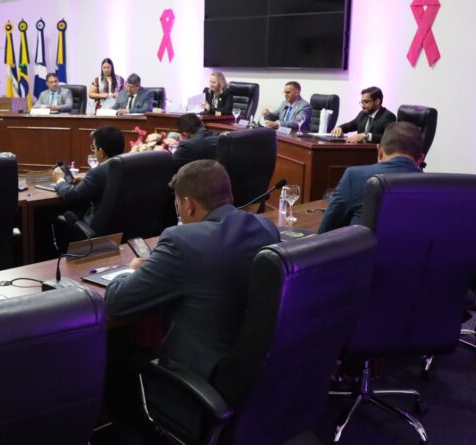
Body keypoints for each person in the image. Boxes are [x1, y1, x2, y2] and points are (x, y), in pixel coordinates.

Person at [105, 159, 280, 379]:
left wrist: (132, 270)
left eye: (177, 207)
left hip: (198, 376)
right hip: (256, 374)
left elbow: (116, 301)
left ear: (188, 205)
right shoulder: (266, 227)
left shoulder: (180, 241)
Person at [319, 122, 424, 233]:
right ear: (421, 159)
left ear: (379, 151)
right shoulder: (436, 186)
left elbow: (325, 231)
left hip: (363, 245)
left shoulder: (354, 176)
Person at [52, 126, 124, 227]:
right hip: (122, 227)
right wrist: (85, 181)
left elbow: (70, 196)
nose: (93, 151)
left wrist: (60, 180)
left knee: (48, 215)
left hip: (94, 229)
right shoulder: (129, 166)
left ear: (101, 152)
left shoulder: (97, 173)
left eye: (93, 148)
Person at [331, 86, 397, 143]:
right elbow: (350, 125)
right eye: (362, 102)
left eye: (366, 102)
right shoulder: (362, 114)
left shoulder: (388, 116)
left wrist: (366, 136)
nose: (363, 105)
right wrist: (339, 128)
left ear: (377, 101)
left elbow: (390, 138)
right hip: (361, 151)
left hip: (377, 152)